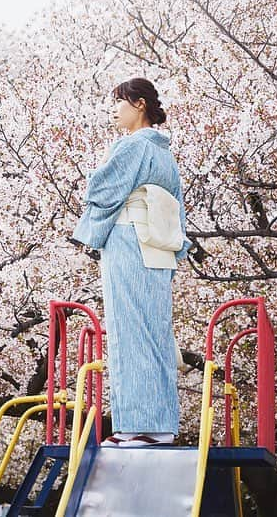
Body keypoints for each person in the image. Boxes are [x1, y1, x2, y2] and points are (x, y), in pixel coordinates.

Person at [71, 77, 191, 448]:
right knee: (154, 331)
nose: (114, 110)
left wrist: (97, 173)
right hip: (157, 247)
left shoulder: (133, 145)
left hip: (129, 241)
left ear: (139, 105)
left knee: (128, 331)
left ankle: (137, 425)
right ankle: (160, 426)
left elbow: (100, 189)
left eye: (119, 102)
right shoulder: (163, 152)